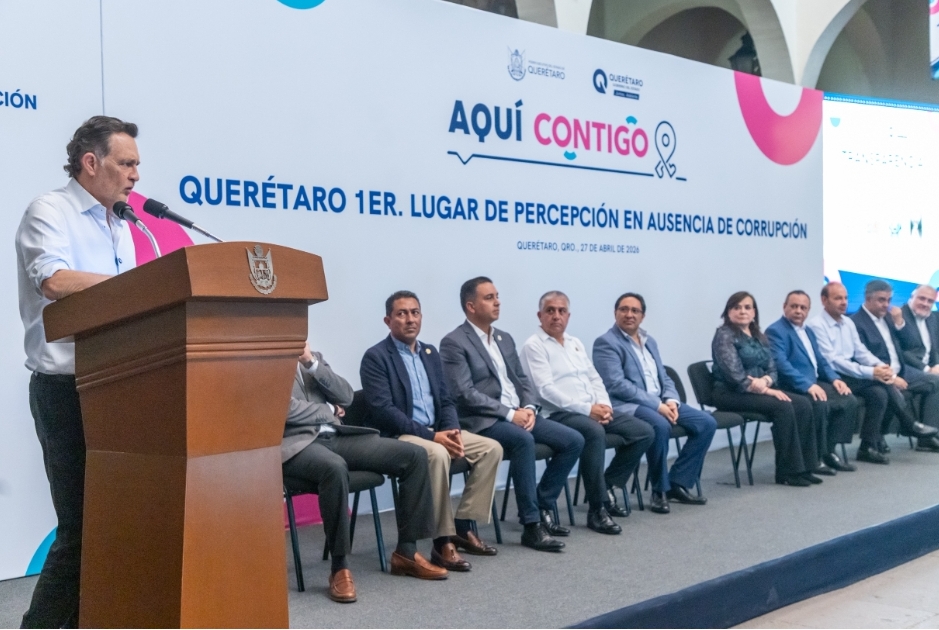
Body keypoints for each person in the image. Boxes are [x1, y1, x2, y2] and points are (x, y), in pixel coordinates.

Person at [15, 116, 141, 628]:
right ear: (91, 162)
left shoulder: (122, 226)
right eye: (126, 163)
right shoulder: (50, 211)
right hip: (65, 390)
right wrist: (141, 285)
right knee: (81, 530)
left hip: (119, 385)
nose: (136, 175)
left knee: (111, 529)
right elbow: (55, 281)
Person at [360, 291, 503, 576]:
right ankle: (442, 541)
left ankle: (463, 526)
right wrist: (432, 437)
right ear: (388, 320)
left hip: (438, 431)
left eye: (415, 312)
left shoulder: (429, 353)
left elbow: (446, 400)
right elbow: (384, 411)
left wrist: (452, 431)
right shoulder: (376, 357)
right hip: (402, 436)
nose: (410, 319)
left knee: (491, 448)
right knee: (437, 454)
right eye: (402, 314)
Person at [283, 341, 438, 602]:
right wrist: (329, 410)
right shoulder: (265, 363)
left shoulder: (313, 358)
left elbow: (346, 397)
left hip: (338, 436)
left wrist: (312, 364)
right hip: (298, 445)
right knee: (334, 468)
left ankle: (407, 552)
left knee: (414, 455)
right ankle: (340, 567)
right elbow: (284, 410)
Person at [439, 277, 583, 552]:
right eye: (489, 298)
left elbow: (522, 380)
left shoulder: (504, 338)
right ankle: (531, 525)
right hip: (482, 420)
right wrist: (508, 414)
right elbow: (464, 393)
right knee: (522, 441)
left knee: (573, 440)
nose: (497, 302)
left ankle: (542, 506)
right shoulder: (454, 342)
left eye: (497, 296)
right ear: (471, 306)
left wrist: (528, 408)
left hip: (518, 414)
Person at [519, 291, 655, 532]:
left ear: (568, 316)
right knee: (593, 432)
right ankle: (597, 509)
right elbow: (545, 390)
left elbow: (594, 378)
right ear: (540, 316)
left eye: (561, 311)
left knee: (643, 431)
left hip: (591, 409)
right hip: (557, 413)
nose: (556, 316)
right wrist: (587, 409)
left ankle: (608, 484)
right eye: (550, 311)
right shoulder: (534, 345)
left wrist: (604, 405)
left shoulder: (575, 343)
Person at [593, 292, 716, 513]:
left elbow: (664, 377)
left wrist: (671, 400)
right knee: (660, 425)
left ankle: (677, 482)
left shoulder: (650, 341)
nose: (629, 314)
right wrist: (657, 405)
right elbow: (617, 385)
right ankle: (659, 490)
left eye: (635, 310)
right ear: (615, 313)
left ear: (643, 316)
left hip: (660, 401)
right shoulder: (606, 343)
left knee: (706, 423)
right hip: (627, 405)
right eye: (624, 309)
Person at [807, 282, 937, 464]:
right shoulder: (816, 325)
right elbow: (833, 361)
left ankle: (867, 447)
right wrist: (875, 373)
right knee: (882, 384)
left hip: (853, 374)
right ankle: (908, 424)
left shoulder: (847, 323)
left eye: (845, 298)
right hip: (832, 376)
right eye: (838, 298)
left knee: (879, 393)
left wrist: (881, 367)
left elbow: (861, 351)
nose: (844, 302)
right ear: (824, 300)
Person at [710, 291, 821, 487]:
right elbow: (735, 376)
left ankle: (806, 467)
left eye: (747, 307)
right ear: (728, 312)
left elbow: (772, 368)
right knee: (783, 406)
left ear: (754, 312)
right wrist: (768, 390)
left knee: (803, 404)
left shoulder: (758, 335)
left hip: (758, 388)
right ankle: (788, 472)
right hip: (731, 393)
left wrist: (767, 380)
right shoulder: (724, 335)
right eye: (737, 307)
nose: (742, 311)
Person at [765, 290, 858, 474]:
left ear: (808, 310)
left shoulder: (808, 331)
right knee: (819, 403)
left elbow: (821, 360)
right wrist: (807, 385)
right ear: (784, 307)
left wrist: (835, 379)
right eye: (794, 306)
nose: (798, 311)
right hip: (791, 385)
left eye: (803, 308)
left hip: (813, 381)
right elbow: (781, 365)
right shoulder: (775, 331)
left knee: (848, 400)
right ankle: (814, 458)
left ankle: (829, 451)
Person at [850, 279, 939, 453]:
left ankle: (923, 435)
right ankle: (909, 426)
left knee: (934, 381)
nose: (886, 305)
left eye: (889, 300)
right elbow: (862, 356)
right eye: (881, 300)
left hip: (902, 371)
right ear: (868, 299)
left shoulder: (889, 318)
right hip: (875, 375)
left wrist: (899, 323)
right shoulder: (856, 322)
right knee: (886, 392)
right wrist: (892, 377)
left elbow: (909, 344)